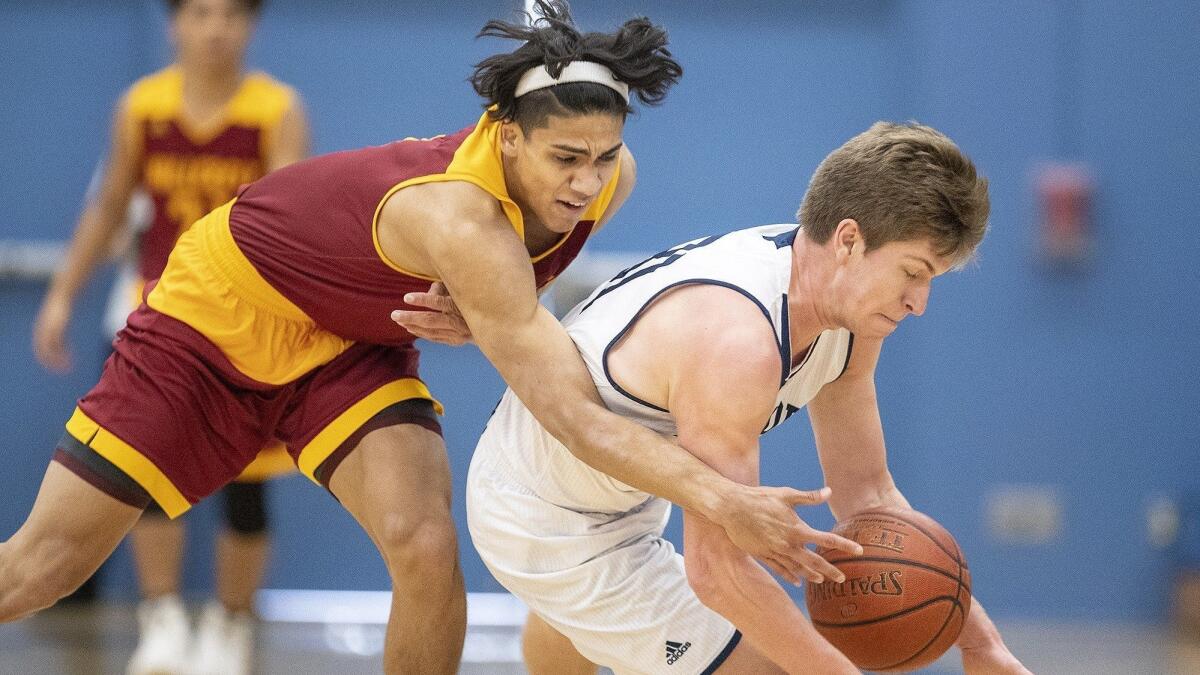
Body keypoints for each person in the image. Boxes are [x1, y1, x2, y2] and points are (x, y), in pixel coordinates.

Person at [2, 2, 837, 673]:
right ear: (506, 135)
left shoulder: (606, 178)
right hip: (214, 316)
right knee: (45, 568)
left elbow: (517, 322)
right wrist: (722, 498)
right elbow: (571, 414)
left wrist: (486, 320)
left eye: (604, 155)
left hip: (346, 340)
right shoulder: (460, 220)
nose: (587, 181)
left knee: (426, 544)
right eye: (565, 158)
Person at [463, 122, 1033, 674]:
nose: (920, 302)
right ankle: (567, 600)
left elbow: (867, 493)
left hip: (620, 493)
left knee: (594, 626)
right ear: (849, 240)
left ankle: (572, 615)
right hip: (542, 512)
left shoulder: (845, 308)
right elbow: (719, 573)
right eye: (913, 273)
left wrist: (981, 644)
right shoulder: (738, 340)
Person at [29, 1, 309, 673]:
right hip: (155, 318)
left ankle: (232, 625)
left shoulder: (274, 110)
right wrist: (62, 295)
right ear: (174, 23)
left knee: (247, 486)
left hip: (246, 324)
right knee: (146, 478)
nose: (215, 29)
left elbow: (293, 218)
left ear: (251, 26)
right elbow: (110, 206)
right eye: (201, 14)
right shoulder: (143, 106)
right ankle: (162, 620)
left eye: (231, 16)